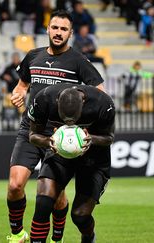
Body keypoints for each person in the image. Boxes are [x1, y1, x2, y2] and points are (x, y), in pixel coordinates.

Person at [6, 10, 105, 243]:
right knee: (15, 184)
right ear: (48, 29)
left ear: (70, 33)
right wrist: (18, 94)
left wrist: (86, 124)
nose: (58, 32)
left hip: (61, 136)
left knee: (56, 195)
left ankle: (56, 238)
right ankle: (17, 233)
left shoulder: (79, 61)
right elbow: (21, 85)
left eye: (63, 29)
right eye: (55, 27)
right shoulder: (33, 56)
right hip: (31, 130)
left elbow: (100, 96)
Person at [28, 84, 115, 243]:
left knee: (80, 216)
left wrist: (90, 139)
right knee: (43, 203)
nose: (69, 124)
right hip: (58, 151)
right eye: (64, 121)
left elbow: (109, 138)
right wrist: (49, 142)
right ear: (57, 102)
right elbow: (33, 135)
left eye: (73, 120)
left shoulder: (104, 103)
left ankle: (88, 237)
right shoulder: (44, 98)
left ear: (83, 103)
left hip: (93, 158)